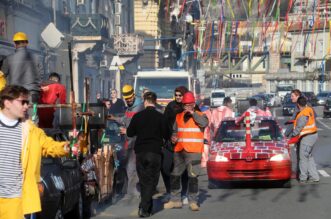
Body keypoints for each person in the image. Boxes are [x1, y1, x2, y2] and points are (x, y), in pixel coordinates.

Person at [0, 85, 69, 219]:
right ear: (7, 103)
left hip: (17, 200)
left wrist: (64, 148)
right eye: (22, 102)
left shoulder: (30, 130)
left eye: (27, 102)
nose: (26, 106)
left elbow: (48, 145)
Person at [164, 91, 208, 211]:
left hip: (194, 151)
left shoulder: (200, 115)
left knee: (193, 176)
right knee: (174, 175)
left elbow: (204, 123)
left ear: (194, 105)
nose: (187, 107)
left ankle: (193, 201)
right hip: (179, 150)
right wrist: (173, 137)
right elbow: (175, 131)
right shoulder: (178, 116)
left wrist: (193, 113)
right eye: (185, 105)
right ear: (182, 105)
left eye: (190, 105)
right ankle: (175, 200)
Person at [127, 91, 169, 217]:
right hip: (155, 152)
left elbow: (130, 133)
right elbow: (167, 135)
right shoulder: (161, 117)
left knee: (144, 180)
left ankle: (145, 207)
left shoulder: (137, 116)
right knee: (152, 181)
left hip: (140, 152)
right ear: (155, 102)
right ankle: (145, 209)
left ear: (145, 101)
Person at [113, 84, 144, 198]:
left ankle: (134, 192)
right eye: (127, 99)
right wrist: (114, 118)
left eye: (130, 98)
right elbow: (125, 120)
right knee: (127, 166)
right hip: (129, 141)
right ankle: (130, 191)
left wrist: (126, 130)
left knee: (132, 167)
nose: (129, 100)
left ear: (133, 95)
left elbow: (137, 125)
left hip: (137, 142)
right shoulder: (129, 108)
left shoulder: (139, 107)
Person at [1, 32, 41, 103]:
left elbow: (2, 74)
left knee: (16, 113)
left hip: (15, 94)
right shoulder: (36, 58)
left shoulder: (8, 59)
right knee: (32, 113)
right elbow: (41, 75)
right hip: (32, 94)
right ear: (26, 43)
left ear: (15, 44)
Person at [291, 96, 319, 183]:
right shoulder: (309, 109)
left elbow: (300, 126)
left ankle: (303, 178)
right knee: (309, 157)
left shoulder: (303, 114)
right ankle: (315, 177)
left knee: (303, 157)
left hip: (307, 137)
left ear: (298, 105)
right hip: (313, 135)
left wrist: (293, 134)